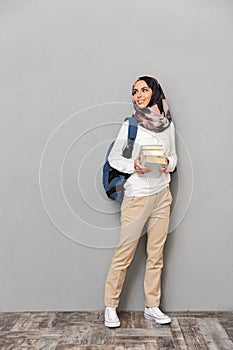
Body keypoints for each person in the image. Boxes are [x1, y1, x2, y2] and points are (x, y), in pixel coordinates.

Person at [104, 76, 177, 328]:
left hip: (162, 195)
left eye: (144, 90)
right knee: (124, 254)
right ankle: (110, 307)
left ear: (155, 92)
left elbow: (175, 158)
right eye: (135, 91)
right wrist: (133, 166)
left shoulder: (168, 126)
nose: (139, 95)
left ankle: (152, 307)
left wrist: (168, 164)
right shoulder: (132, 125)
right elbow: (116, 159)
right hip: (137, 196)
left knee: (156, 255)